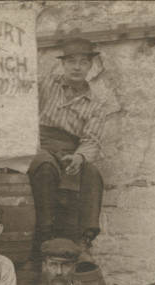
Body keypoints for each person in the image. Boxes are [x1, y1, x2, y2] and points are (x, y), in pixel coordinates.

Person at [28, 37, 107, 247]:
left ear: (91, 66)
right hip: (41, 144)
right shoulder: (45, 84)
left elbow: (91, 139)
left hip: (71, 150)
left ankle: (84, 239)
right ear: (63, 64)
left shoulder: (96, 104)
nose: (77, 67)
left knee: (92, 174)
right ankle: (45, 233)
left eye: (83, 62)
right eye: (72, 62)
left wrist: (80, 157)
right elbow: (23, 106)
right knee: (44, 165)